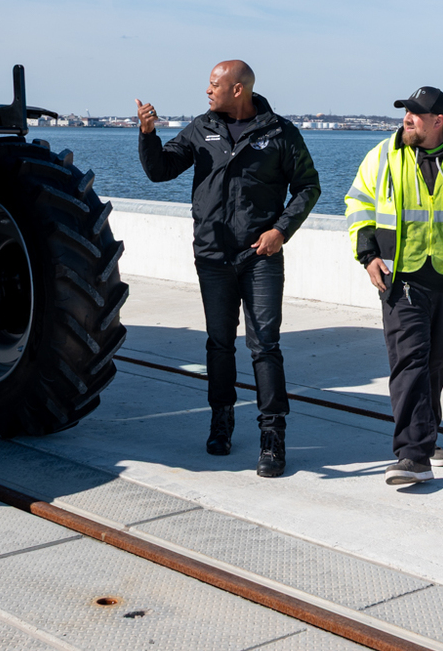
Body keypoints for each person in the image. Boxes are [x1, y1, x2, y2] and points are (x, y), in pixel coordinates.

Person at [137, 61, 320, 477]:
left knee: (265, 346)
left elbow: (308, 186)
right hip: (212, 256)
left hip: (260, 257)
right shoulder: (200, 129)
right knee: (219, 344)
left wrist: (280, 231)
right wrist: (148, 135)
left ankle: (272, 436)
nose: (207, 90)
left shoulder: (279, 132)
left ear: (238, 89)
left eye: (214, 84)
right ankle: (221, 421)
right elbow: (160, 171)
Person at [344, 86, 443, 486]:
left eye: (416, 114)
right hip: (399, 278)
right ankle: (413, 456)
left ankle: (426, 434)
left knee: (436, 365)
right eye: (406, 112)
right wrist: (368, 255)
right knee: (410, 362)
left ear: (439, 121)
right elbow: (358, 204)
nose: (407, 118)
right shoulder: (384, 156)